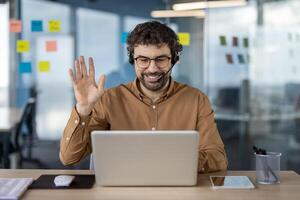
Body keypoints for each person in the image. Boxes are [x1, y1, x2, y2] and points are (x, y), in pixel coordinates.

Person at [60, 21, 228, 173]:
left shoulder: (196, 100)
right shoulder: (109, 100)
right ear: (133, 61)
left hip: (178, 190)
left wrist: (173, 163)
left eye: (161, 59)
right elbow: (69, 158)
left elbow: (218, 159)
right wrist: (83, 109)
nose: (152, 68)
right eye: (143, 60)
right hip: (122, 188)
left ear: (174, 60)